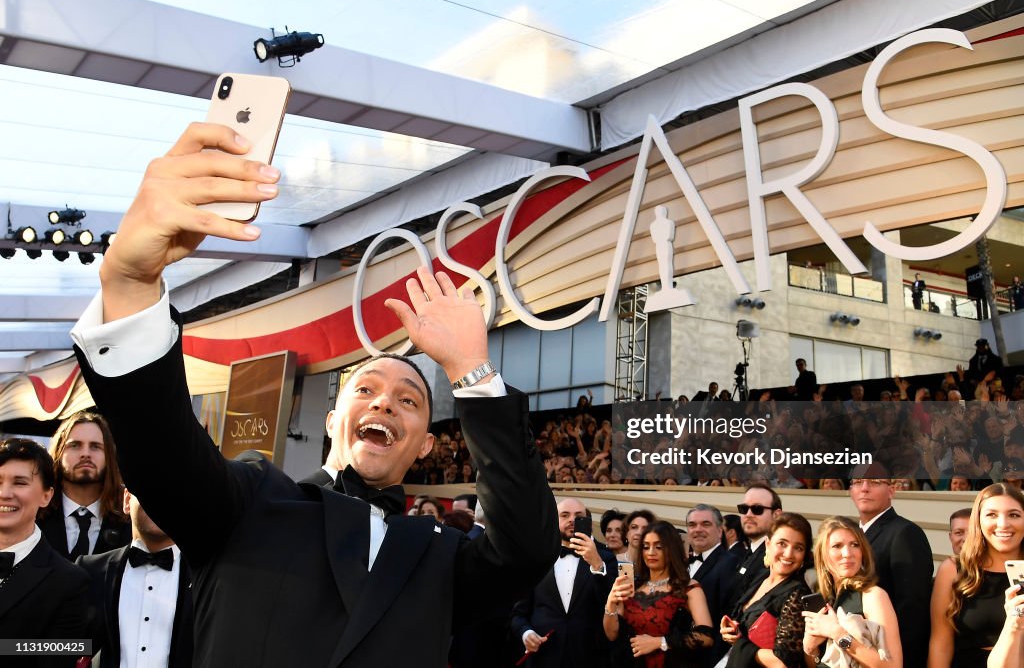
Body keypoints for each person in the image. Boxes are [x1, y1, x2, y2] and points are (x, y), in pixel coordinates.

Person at [69, 122, 559, 667]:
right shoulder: (252, 506)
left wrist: (472, 370)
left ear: (424, 444)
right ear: (331, 421)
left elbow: (526, 550)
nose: (384, 403)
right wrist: (131, 285)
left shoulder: (441, 556)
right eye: (366, 389)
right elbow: (162, 454)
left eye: (410, 400)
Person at [0, 437, 90, 665]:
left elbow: (60, 654)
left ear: (46, 496)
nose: (4, 493)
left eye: (19, 483)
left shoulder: (70, 582)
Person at [78, 490, 193, 667]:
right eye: (148, 490)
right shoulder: (90, 570)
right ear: (127, 500)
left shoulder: (208, 577)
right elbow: (67, 646)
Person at [511, 497, 618, 668]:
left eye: (578, 516)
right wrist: (526, 633)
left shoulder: (605, 558)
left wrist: (597, 564)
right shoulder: (536, 558)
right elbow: (518, 614)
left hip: (590, 657)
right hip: (544, 657)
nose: (572, 520)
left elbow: (613, 607)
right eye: (565, 515)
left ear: (588, 521)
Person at [929, 482, 1024, 668]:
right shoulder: (953, 569)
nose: (1003, 524)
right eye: (992, 515)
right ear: (978, 521)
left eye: (1014, 515)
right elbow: (941, 644)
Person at [850, 470, 932, 668]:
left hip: (888, 656)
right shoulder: (850, 535)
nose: (864, 488)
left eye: (874, 482)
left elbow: (913, 610)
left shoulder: (906, 533)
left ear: (891, 490)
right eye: (857, 482)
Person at [604, 520, 714, 667]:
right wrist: (610, 604)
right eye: (645, 547)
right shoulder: (631, 586)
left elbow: (707, 636)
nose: (651, 552)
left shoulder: (689, 587)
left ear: (672, 549)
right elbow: (611, 635)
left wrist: (660, 642)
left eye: (659, 547)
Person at [803, 516, 902, 667]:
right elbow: (816, 663)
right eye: (837, 546)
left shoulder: (873, 596)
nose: (847, 553)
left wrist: (838, 634)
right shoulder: (824, 598)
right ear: (823, 554)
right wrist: (811, 648)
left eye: (855, 545)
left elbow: (893, 665)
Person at [720, 513, 812, 668]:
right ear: (768, 545)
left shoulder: (797, 594)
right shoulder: (760, 579)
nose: (788, 554)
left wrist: (740, 644)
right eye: (782, 544)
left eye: (798, 547)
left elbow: (783, 662)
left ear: (804, 555)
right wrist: (730, 632)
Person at [38, 411, 131, 560]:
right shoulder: (35, 513)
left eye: (95, 446)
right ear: (58, 452)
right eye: (75, 445)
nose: (86, 454)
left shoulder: (130, 516)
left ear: (109, 455)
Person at [685, 505, 738, 666]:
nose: (698, 529)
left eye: (706, 524)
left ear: (720, 531)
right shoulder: (682, 564)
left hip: (707, 659)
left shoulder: (730, 563)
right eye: (692, 525)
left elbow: (726, 617)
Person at [731, 484, 783, 607]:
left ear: (776, 515)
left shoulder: (778, 559)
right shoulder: (747, 552)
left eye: (757, 509)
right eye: (744, 509)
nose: (748, 514)